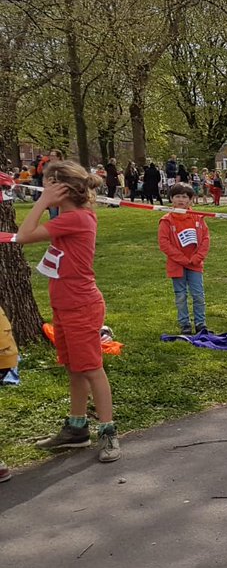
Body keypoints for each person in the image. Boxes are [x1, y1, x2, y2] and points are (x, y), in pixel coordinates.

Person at [15, 161, 119, 462]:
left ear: (61, 189)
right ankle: (77, 429)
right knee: (74, 367)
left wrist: (43, 202)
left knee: (91, 368)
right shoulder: (70, 217)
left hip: (81, 305)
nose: (43, 188)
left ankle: (109, 431)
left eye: (47, 183)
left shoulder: (76, 219)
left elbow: (23, 235)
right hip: (64, 304)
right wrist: (49, 200)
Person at [157, 183, 210, 336]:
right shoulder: (166, 220)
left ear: (190, 200)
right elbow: (164, 243)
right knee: (180, 295)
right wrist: (181, 259)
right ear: (171, 199)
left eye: (184, 197)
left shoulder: (198, 218)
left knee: (198, 295)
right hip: (177, 265)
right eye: (177, 196)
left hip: (195, 264)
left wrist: (197, 257)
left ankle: (201, 324)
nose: (181, 200)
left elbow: (206, 239)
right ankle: (185, 324)